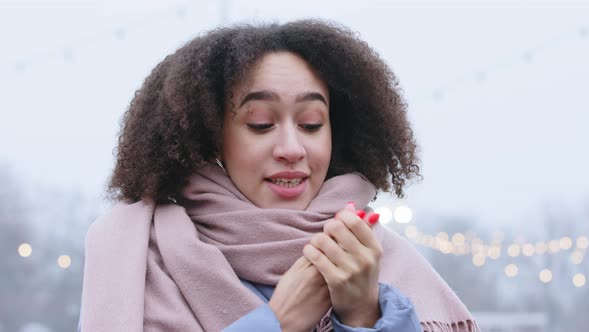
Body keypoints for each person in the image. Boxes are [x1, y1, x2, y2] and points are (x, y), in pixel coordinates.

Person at [80, 20, 479, 331]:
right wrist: (278, 323)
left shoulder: (377, 260)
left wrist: (363, 316)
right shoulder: (138, 256)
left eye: (310, 124)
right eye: (260, 124)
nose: (292, 148)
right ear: (210, 138)